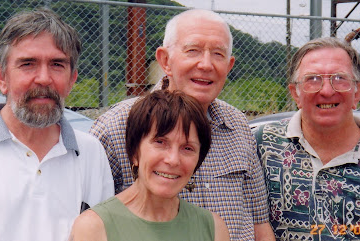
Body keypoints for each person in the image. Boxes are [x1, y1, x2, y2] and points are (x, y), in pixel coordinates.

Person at [90, 8, 274, 240]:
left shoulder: (238, 126)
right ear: (165, 60)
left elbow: (259, 224)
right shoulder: (116, 126)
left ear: (229, 66)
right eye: (193, 50)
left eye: (218, 54)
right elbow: (93, 219)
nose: (206, 64)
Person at [0, 8, 114, 241]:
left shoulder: (91, 152)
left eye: (57, 65)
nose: (43, 78)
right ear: (1, 76)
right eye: (28, 64)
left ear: (72, 79)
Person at [255, 37, 360, 240]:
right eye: (312, 79)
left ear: (357, 93)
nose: (327, 91)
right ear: (295, 93)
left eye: (340, 78)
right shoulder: (261, 144)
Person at [70, 90, 229, 240]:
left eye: (187, 148)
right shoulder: (95, 227)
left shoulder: (213, 229)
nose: (173, 160)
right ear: (134, 151)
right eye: (160, 142)